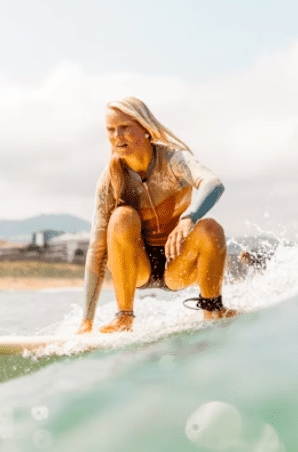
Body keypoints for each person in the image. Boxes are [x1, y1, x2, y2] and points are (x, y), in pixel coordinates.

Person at [77, 97, 237, 334]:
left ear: (145, 128)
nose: (117, 136)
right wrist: (86, 321)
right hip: (137, 268)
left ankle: (212, 310)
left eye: (125, 127)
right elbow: (97, 249)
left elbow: (213, 184)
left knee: (210, 227)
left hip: (178, 265)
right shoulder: (110, 180)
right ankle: (124, 317)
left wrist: (189, 218)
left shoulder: (173, 160)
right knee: (122, 216)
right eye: (110, 130)